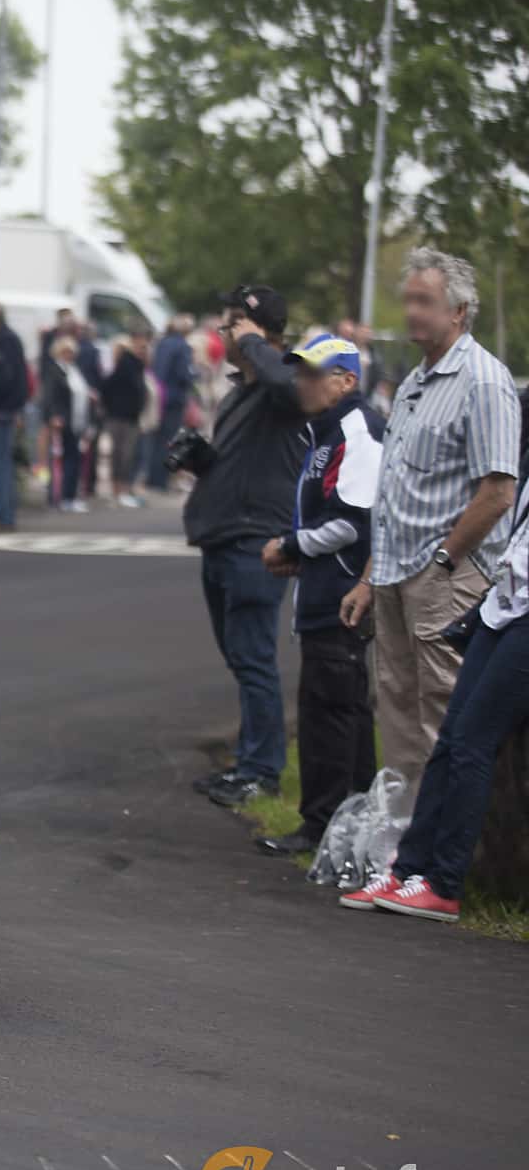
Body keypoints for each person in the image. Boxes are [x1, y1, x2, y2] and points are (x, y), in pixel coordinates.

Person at [339, 247, 521, 808]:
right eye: (409, 300)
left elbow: (497, 493)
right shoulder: (416, 381)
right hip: (395, 577)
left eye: (425, 301)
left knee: (443, 723)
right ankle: (402, 851)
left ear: (459, 311)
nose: (413, 311)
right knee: (397, 717)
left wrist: (443, 564)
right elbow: (394, 495)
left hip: (444, 580)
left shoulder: (483, 381)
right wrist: (370, 577)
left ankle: (443, 867)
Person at [340, 473, 529, 920]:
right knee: (450, 739)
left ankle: (444, 883)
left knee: (472, 743)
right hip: (503, 604)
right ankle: (409, 870)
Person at [256, 334, 385, 855]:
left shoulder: (357, 429)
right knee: (335, 708)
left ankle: (323, 825)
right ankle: (343, 825)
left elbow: (353, 522)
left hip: (343, 597)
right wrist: (301, 551)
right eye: (300, 372)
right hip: (323, 593)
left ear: (347, 380)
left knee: (331, 712)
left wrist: (290, 545)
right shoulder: (326, 432)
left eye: (314, 373)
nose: (302, 382)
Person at [183, 284, 304, 807]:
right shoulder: (240, 392)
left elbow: (289, 387)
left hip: (254, 542)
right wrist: (203, 461)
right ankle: (249, 762)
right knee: (240, 657)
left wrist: (257, 344)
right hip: (223, 537)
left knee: (254, 660)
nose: (225, 332)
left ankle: (263, 770)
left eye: (234, 323)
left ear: (261, 331)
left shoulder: (285, 382)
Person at [0, 302, 30, 530]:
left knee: (0, 463)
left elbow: (5, 377)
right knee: (3, 462)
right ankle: (3, 510)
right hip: (8, 408)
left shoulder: (5, 341)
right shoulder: (11, 339)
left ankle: (3, 512)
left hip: (2, 409)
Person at [100, 328, 151, 506]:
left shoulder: (136, 365)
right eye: (141, 346)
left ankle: (123, 489)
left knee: (126, 455)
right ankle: (118, 490)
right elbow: (109, 386)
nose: (144, 350)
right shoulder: (127, 363)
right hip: (121, 416)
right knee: (122, 454)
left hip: (130, 416)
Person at [43, 335, 94, 514]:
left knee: (74, 459)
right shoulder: (55, 370)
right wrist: (54, 416)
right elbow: (50, 396)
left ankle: (70, 496)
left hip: (77, 421)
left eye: (71, 351)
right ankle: (62, 497)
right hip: (63, 421)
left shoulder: (74, 370)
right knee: (64, 460)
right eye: (65, 351)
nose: (69, 354)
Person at [149, 314, 196, 491]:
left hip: (160, 395)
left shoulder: (161, 343)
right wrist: (195, 374)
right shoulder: (183, 346)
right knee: (169, 440)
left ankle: (152, 477)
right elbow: (185, 374)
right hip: (175, 397)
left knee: (157, 439)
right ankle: (161, 480)